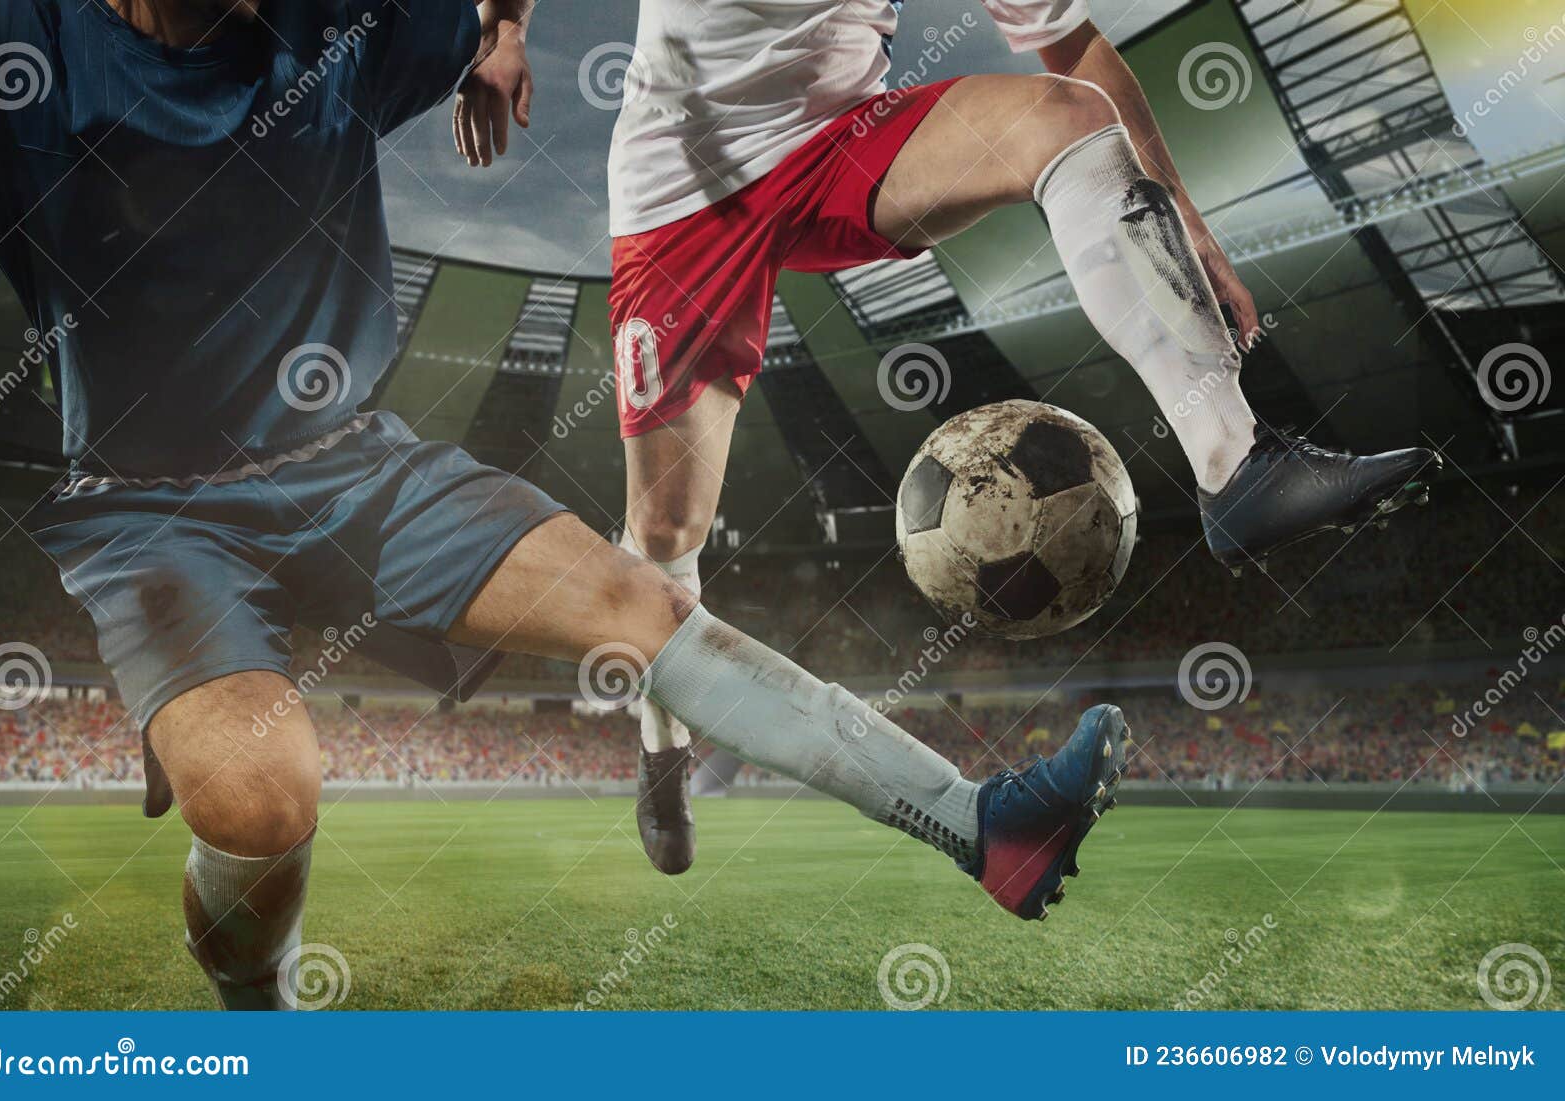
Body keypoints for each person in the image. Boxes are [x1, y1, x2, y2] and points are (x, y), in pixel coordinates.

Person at [0, 0, 1125, 1010]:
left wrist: (506, 34)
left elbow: (471, 12)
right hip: (151, 512)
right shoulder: (15, 46)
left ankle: (987, 828)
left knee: (642, 604)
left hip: (355, 467)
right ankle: (264, 1018)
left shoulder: (337, 24)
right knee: (263, 807)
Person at [457, 0, 1440, 874]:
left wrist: (1185, 223)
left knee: (1067, 118)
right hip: (681, 188)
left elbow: (1075, 47)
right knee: (666, 531)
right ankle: (663, 743)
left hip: (839, 141)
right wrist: (502, 32)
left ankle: (1236, 464)